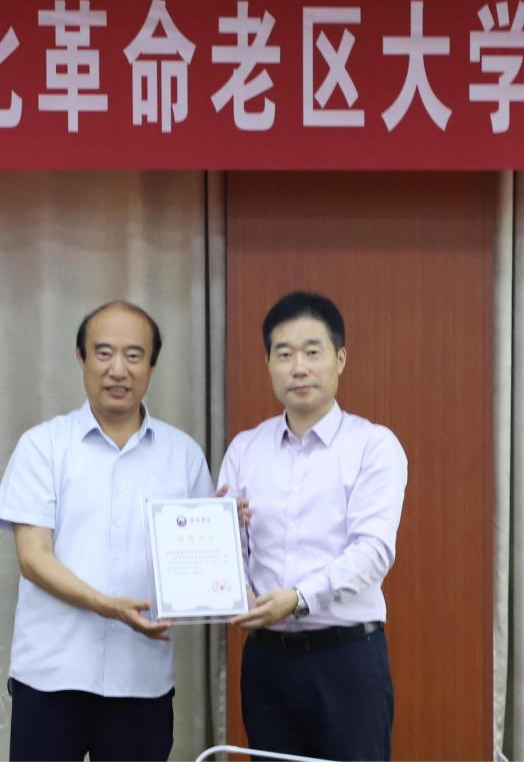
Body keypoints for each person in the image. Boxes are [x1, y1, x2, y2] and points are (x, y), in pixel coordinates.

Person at [0, 300, 215, 762]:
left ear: (152, 365)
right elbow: (33, 557)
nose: (118, 370)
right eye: (104, 353)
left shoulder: (184, 455)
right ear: (81, 357)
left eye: (134, 355)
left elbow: (201, 566)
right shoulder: (43, 446)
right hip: (51, 676)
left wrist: (225, 532)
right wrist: (108, 606)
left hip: (141, 681)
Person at [221, 291, 408, 761]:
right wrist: (232, 582)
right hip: (266, 661)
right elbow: (228, 550)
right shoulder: (244, 449)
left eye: (312, 352)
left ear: (340, 359)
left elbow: (373, 552)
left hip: (346, 660)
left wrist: (299, 598)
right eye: (284, 354)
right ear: (268, 364)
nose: (298, 368)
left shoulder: (373, 446)